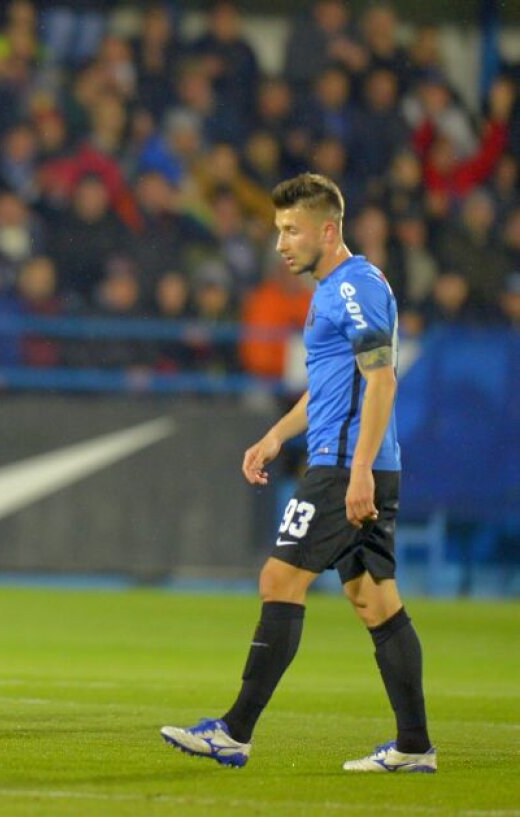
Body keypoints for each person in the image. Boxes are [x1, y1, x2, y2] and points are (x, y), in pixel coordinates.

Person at [160, 173, 435, 773]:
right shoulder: (334, 288)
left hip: (343, 470)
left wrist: (358, 470)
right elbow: (329, 391)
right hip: (357, 465)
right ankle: (414, 746)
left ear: (328, 230)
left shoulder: (353, 287)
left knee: (278, 579)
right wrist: (275, 435)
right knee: (375, 601)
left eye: (291, 231)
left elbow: (382, 378)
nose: (281, 243)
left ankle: (234, 732)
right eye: (278, 230)